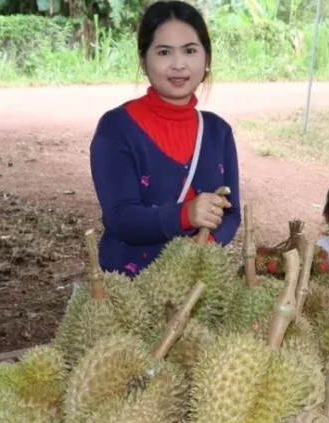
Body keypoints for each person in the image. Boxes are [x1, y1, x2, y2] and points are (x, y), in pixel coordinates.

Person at [89, 0, 240, 277]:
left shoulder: (219, 132)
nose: (179, 64)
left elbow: (231, 214)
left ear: (206, 59)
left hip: (197, 284)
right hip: (128, 288)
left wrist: (201, 248)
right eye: (163, 52)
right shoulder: (116, 129)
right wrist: (186, 214)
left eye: (190, 51)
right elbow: (120, 218)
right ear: (143, 61)